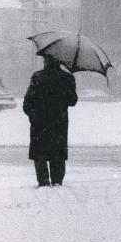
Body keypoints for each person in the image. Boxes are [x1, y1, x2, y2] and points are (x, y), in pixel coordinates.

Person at [22, 54, 78, 187]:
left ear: (46, 61)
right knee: (57, 154)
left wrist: (33, 116)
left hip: (40, 123)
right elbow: (73, 101)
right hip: (59, 124)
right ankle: (57, 182)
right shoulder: (67, 78)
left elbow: (27, 102)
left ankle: (44, 182)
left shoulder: (38, 77)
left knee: (40, 154)